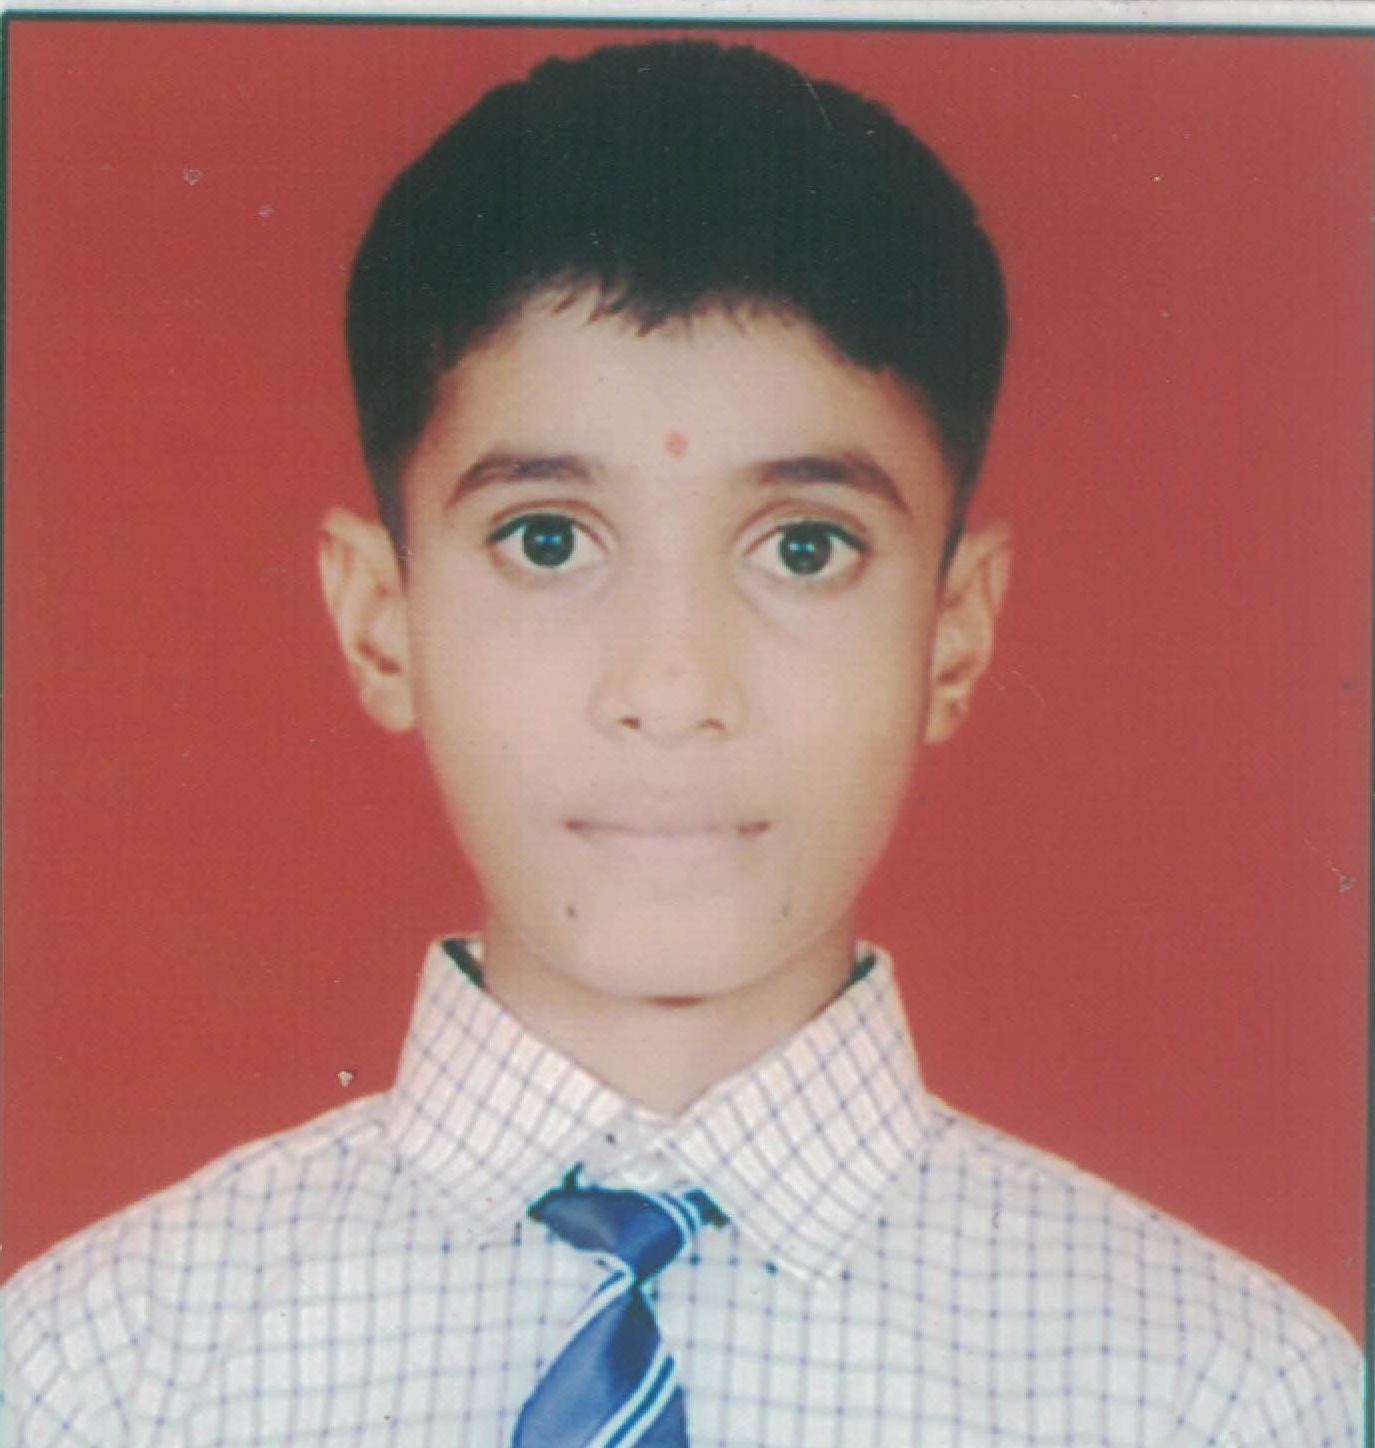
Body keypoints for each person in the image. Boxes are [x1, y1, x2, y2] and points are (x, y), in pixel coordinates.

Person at [2, 37, 1361, 1448]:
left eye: (804, 547)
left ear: (954, 634)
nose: (671, 685)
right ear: (378, 621)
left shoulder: (1219, 1396)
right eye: (546, 541)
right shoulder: (96, 1377)